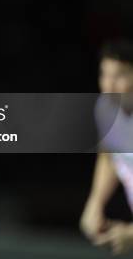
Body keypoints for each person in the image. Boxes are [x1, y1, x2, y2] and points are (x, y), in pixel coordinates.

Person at [81, 39, 133, 255]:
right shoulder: (105, 108)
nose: (109, 86)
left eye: (120, 75)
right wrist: (95, 202)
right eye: (105, 74)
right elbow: (110, 155)